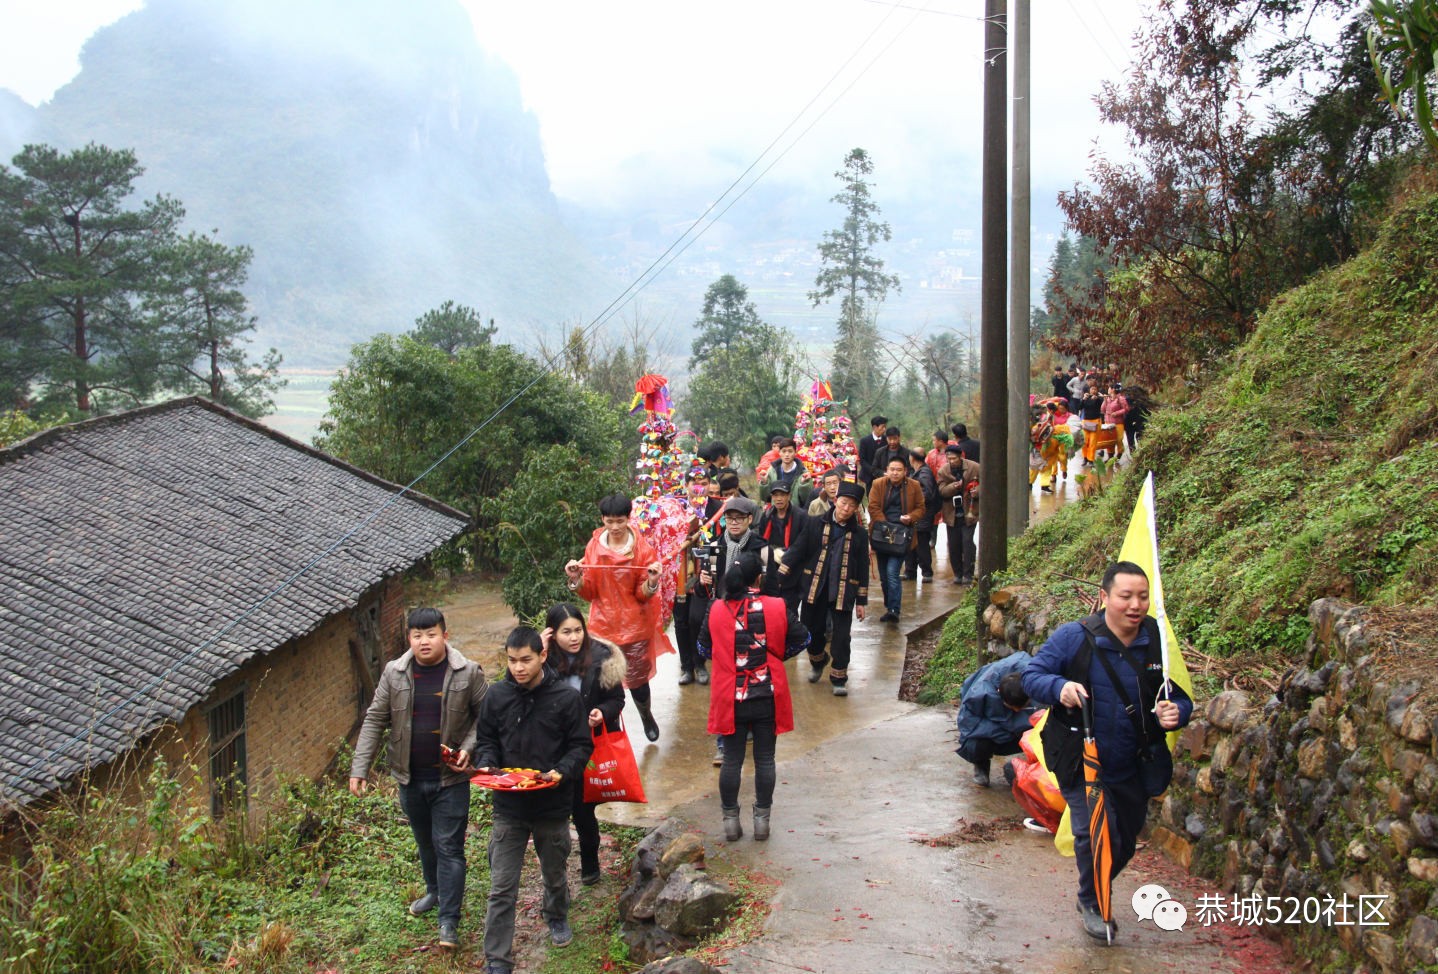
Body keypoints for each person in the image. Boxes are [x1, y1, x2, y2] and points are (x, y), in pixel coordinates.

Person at [1022, 562, 1192, 943]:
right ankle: (1094, 902)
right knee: (1093, 832)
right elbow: (1032, 676)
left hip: (1132, 761)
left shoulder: (1155, 639)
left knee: (1124, 839)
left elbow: (1178, 696)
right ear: (1104, 597)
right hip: (1079, 758)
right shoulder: (1075, 637)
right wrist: (1060, 688)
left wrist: (1176, 712)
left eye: (1142, 597)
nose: (1135, 605)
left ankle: (1094, 884)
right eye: (1125, 596)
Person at [348, 607, 489, 951]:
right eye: (417, 635)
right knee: (425, 842)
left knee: (449, 847)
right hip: (409, 778)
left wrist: (468, 748)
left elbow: (486, 717)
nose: (424, 641)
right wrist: (359, 768)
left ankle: (449, 921)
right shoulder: (394, 673)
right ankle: (435, 892)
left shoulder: (468, 672)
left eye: (431, 634)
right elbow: (374, 719)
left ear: (445, 635)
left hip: (450, 780)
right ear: (408, 638)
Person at [474, 627, 594, 973]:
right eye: (512, 660)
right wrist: (487, 763)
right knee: (501, 886)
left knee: (554, 872)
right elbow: (486, 740)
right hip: (509, 806)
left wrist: (562, 771)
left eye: (525, 660)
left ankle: (556, 914)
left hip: (552, 804)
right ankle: (497, 959)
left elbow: (580, 746)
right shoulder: (497, 696)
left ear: (542, 655)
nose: (518, 668)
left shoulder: (566, 698)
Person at [698, 555, 809, 841]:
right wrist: (777, 655)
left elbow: (703, 648)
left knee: (731, 760)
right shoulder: (777, 606)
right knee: (765, 759)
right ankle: (762, 822)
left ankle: (730, 822)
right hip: (767, 696)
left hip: (731, 697)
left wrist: (727, 659)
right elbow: (803, 638)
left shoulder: (716, 608)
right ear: (758, 578)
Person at [565, 493, 665, 742]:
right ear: (602, 520)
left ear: (628, 518)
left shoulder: (642, 549)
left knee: (638, 680)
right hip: (603, 626)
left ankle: (646, 715)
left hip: (635, 625)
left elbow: (642, 595)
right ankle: (608, 728)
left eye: (620, 521)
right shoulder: (594, 547)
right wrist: (576, 579)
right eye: (609, 521)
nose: (615, 527)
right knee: (602, 681)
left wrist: (652, 581)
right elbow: (590, 592)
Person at [542, 604, 626, 887]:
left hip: (584, 747)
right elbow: (518, 690)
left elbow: (617, 699)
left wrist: (602, 712)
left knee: (583, 809)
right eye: (566, 632)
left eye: (578, 630)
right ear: (552, 634)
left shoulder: (601, 658)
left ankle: (590, 863)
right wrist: (539, 652)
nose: (574, 637)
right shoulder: (542, 660)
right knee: (553, 811)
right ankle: (554, 871)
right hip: (552, 746)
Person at [689, 495, 769, 763]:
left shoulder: (760, 549)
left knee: (750, 676)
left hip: (751, 620)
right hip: (721, 618)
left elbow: (770, 588)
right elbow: (705, 592)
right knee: (724, 682)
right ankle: (724, 740)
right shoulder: (714, 547)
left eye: (739, 518)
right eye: (729, 518)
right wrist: (702, 582)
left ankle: (747, 725)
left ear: (749, 520)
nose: (734, 523)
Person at [780, 480, 869, 694]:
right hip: (815, 588)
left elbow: (863, 567)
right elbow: (798, 548)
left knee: (841, 637)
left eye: (852, 505)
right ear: (835, 501)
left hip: (843, 591)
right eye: (844, 503)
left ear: (856, 508)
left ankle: (839, 678)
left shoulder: (859, 534)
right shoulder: (815, 524)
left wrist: (861, 601)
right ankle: (818, 661)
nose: (846, 508)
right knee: (810, 631)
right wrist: (781, 573)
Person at [956, 650, 1036, 786]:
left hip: (1014, 728)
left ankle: (1037, 770)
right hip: (998, 732)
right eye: (1013, 707)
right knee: (974, 742)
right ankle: (981, 765)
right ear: (1000, 695)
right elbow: (967, 726)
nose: (1017, 711)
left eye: (1022, 707)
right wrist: (1010, 729)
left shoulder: (1035, 678)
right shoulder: (978, 694)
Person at [867, 457, 924, 622]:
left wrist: (910, 517)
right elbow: (873, 506)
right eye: (892, 469)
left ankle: (894, 609)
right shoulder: (878, 484)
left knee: (892, 572)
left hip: (902, 535)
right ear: (886, 470)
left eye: (899, 470)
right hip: (882, 533)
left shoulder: (914, 485)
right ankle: (889, 605)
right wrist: (885, 525)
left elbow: (921, 508)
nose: (895, 473)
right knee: (884, 577)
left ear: (905, 471)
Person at [756, 480, 808, 612]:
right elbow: (761, 539)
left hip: (793, 569)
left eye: (782, 495)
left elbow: (804, 543)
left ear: (789, 496)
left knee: (789, 610)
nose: (779, 499)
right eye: (775, 495)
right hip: (771, 567)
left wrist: (786, 555)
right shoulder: (767, 515)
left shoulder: (801, 516)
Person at [936, 444, 980, 585]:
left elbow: (985, 484)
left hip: (970, 512)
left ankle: (968, 573)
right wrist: (953, 487)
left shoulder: (975, 467)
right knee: (954, 545)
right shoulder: (943, 471)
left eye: (954, 458)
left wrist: (977, 491)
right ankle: (958, 573)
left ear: (960, 456)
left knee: (967, 542)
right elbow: (941, 491)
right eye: (949, 459)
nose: (951, 461)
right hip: (951, 513)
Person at [905, 448, 940, 580]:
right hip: (914, 515)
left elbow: (927, 494)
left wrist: (911, 501)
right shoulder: (916, 471)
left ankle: (926, 573)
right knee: (910, 543)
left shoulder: (924, 473)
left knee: (921, 544)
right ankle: (910, 571)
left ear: (912, 458)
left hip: (922, 515)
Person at [759, 437, 814, 506]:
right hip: (777, 510)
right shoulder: (772, 471)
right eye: (784, 451)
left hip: (795, 510)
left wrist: (804, 485)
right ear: (779, 452)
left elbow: (806, 500)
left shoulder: (803, 472)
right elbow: (765, 498)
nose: (787, 454)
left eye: (790, 451)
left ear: (795, 452)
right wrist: (764, 483)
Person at [1079, 383, 1105, 464]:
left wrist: (1098, 398)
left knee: (1092, 443)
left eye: (1095, 389)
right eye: (1092, 389)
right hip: (1086, 422)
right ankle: (1085, 457)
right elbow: (1080, 407)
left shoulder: (1098, 399)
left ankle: (1091, 459)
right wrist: (1083, 399)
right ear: (1089, 390)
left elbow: (1101, 404)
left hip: (1095, 422)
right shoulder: (1086, 398)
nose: (1093, 391)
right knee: (1084, 442)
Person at [857, 415, 887, 486]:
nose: (884, 429)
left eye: (885, 427)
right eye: (882, 427)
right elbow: (862, 460)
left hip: (885, 476)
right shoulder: (864, 441)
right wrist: (875, 472)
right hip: (869, 477)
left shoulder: (887, 440)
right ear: (874, 427)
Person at [1102, 384, 1130, 458]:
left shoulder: (1120, 398)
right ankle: (1110, 456)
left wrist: (1117, 413)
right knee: (1109, 441)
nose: (1108, 390)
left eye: (1109, 388)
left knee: (1118, 439)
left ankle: (1119, 453)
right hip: (1108, 423)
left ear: (1113, 389)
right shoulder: (1108, 399)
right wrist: (1105, 400)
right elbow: (1102, 410)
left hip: (1117, 423)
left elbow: (1126, 409)